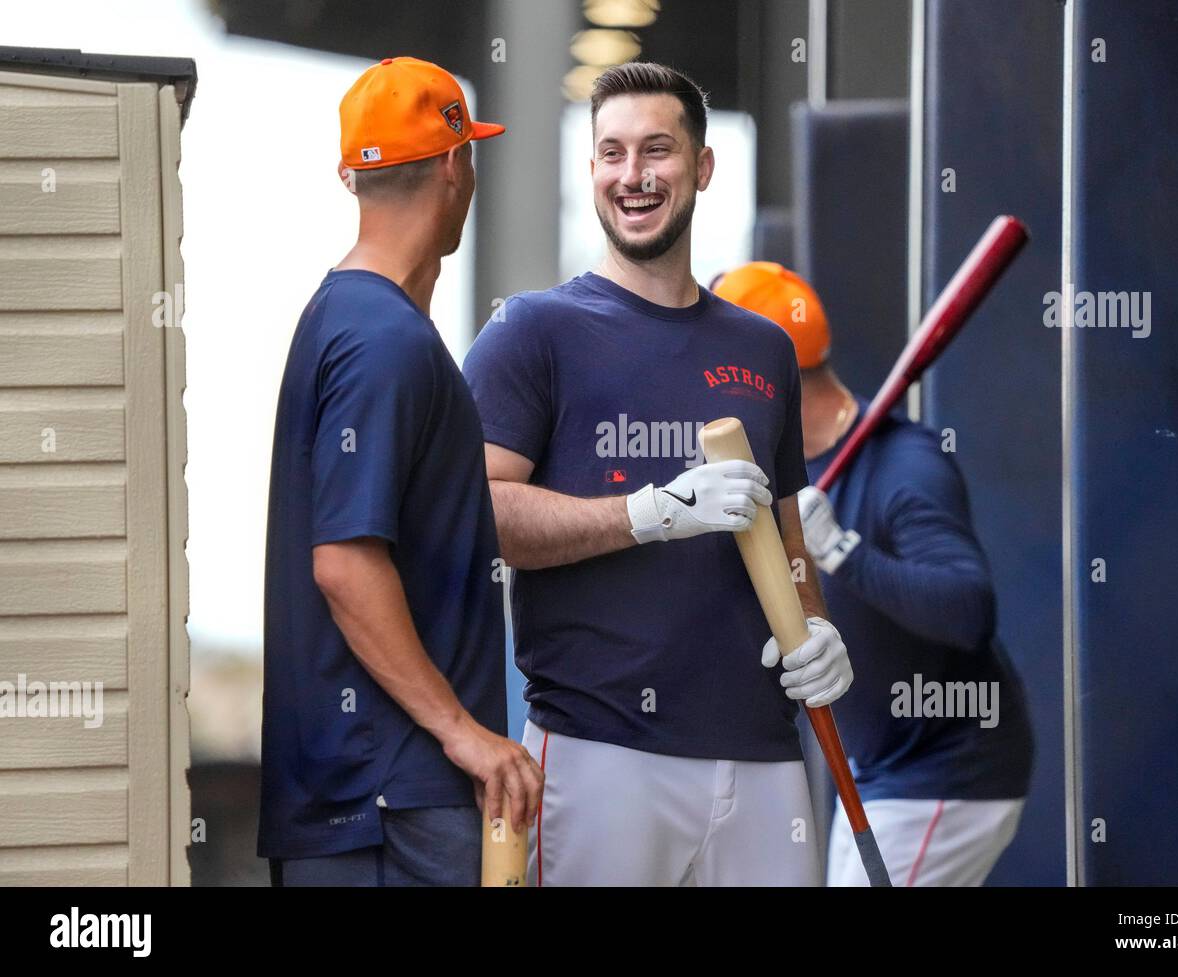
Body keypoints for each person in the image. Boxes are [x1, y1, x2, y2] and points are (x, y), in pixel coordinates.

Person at [463, 63, 851, 886]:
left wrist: (815, 626)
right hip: (601, 753)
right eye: (611, 153)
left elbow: (783, 535)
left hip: (763, 754)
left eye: (657, 151)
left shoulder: (762, 348)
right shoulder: (536, 331)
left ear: (703, 167)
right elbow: (482, 513)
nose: (632, 175)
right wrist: (648, 511)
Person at [259, 57, 543, 886]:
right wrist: (463, 731)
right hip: (394, 800)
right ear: (456, 165)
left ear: (352, 176)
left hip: (364, 796)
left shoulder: (343, 316)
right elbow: (345, 563)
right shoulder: (385, 341)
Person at [713, 261, 1034, 887]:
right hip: (878, 766)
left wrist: (844, 552)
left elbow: (970, 610)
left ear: (770, 380)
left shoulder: (905, 466)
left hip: (942, 771)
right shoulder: (779, 475)